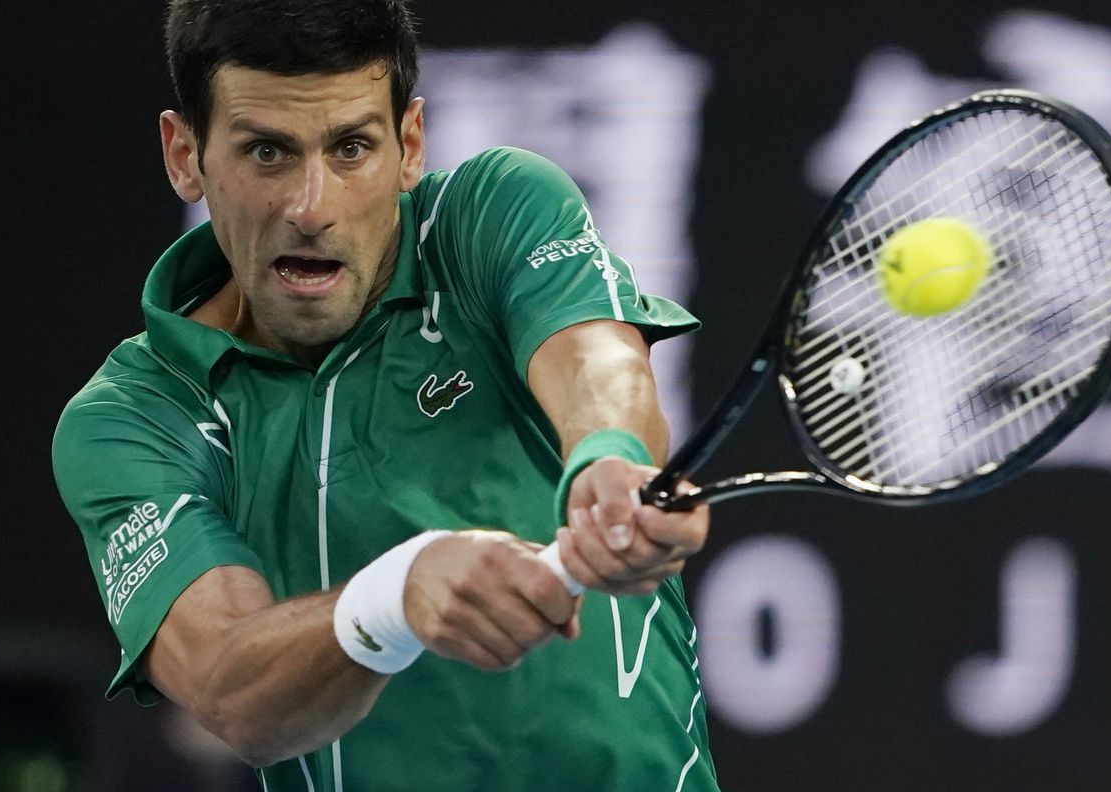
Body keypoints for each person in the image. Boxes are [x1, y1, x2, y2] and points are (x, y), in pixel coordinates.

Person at [52, 1, 719, 789]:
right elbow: (235, 696)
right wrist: (391, 601)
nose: (312, 207)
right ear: (184, 154)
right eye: (267, 152)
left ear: (408, 146)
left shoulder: (490, 215)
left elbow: (596, 359)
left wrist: (610, 460)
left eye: (351, 148)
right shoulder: (135, 416)